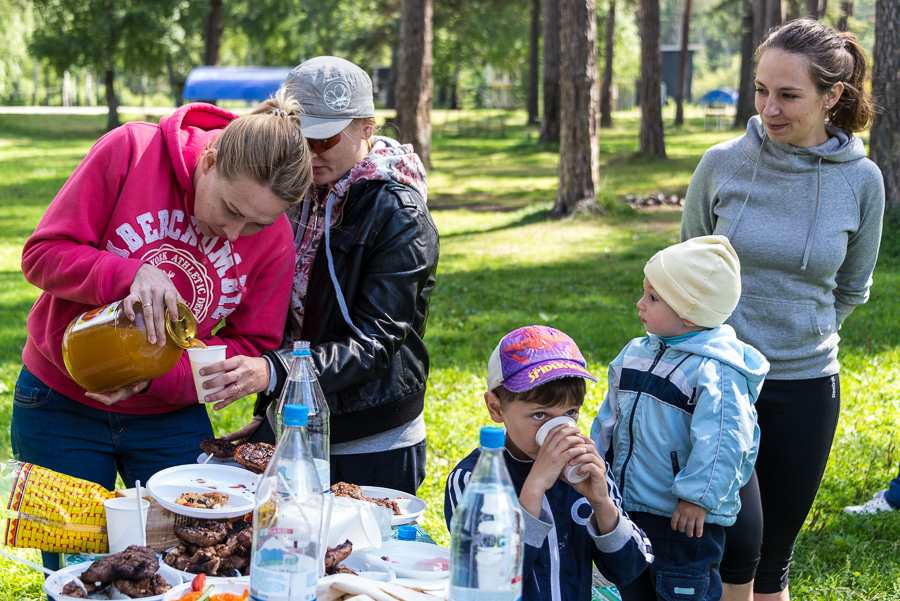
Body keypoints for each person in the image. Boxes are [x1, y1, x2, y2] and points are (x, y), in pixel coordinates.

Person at [13, 89, 312, 569]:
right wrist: (128, 274)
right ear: (210, 160)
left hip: (168, 418)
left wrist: (157, 377)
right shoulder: (131, 152)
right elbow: (43, 254)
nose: (235, 235)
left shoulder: (273, 240)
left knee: (187, 561)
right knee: (73, 570)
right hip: (60, 402)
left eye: (257, 224)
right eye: (232, 210)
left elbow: (251, 343)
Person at [680, 18, 884, 601]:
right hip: (713, 382)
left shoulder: (862, 181)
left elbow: (852, 286)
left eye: (789, 95)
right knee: (719, 551)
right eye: (761, 90)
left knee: (771, 563)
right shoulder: (720, 163)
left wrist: (800, 337)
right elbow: (687, 271)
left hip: (803, 387)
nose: (769, 108)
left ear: (832, 96)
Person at [219, 56, 439, 496]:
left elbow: (376, 343)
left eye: (325, 140)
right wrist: (270, 411)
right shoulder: (295, 195)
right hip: (300, 423)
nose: (311, 154)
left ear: (367, 128)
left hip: (372, 437)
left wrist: (273, 372)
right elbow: (293, 319)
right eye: (300, 139)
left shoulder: (399, 212)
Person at [591, 236, 768, 601]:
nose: (640, 304)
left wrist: (697, 497)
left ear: (691, 312)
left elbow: (725, 442)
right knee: (632, 585)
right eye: (644, 292)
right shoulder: (636, 352)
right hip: (629, 507)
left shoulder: (717, 371)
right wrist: (595, 466)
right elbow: (610, 417)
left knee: (680, 590)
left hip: (683, 520)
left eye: (653, 298)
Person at [445, 325, 653, 601]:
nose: (558, 430)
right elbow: (487, 579)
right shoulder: (473, 480)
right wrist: (534, 489)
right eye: (540, 415)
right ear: (496, 408)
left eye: (569, 413)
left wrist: (603, 505)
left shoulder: (587, 469)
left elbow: (629, 570)